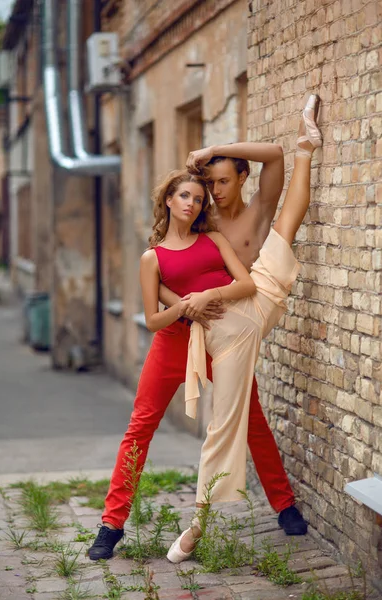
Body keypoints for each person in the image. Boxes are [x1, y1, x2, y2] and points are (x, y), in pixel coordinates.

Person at [88, 94, 321, 562]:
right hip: (174, 341)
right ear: (171, 201)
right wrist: (185, 308)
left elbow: (238, 281)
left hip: (221, 337)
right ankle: (111, 525)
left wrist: (205, 302)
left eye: (205, 192)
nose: (201, 198)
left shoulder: (213, 235)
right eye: (192, 193)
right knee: (140, 427)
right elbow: (157, 294)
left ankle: (285, 506)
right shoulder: (157, 249)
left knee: (251, 421)